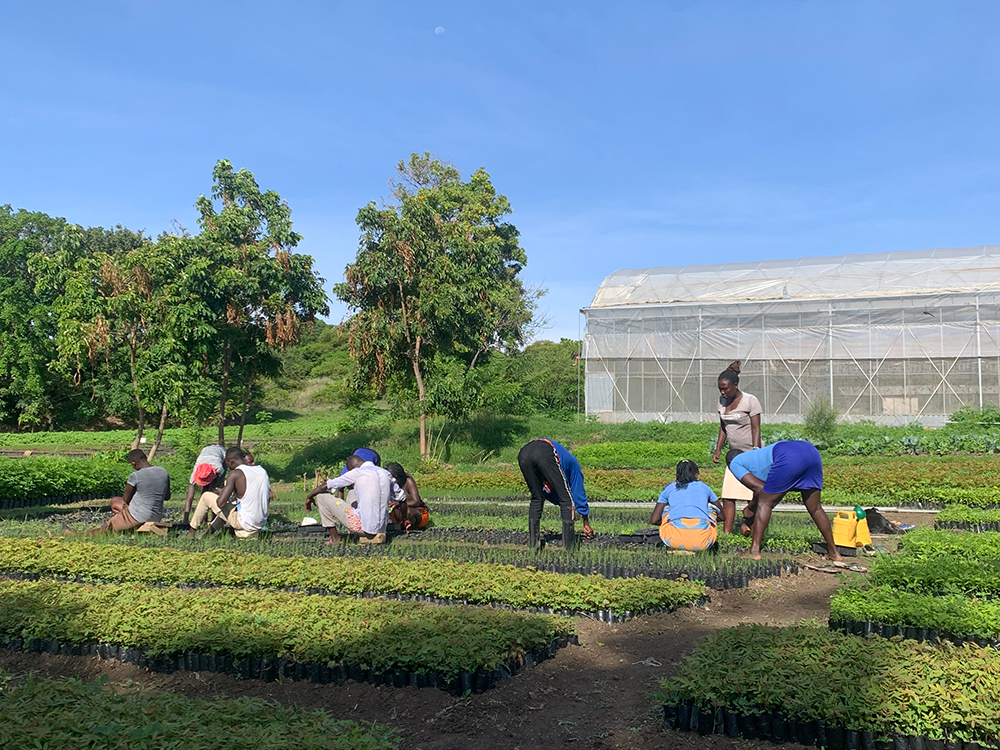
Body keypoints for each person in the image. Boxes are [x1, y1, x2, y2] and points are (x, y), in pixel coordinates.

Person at [728, 440, 842, 561]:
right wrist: (750, 510)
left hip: (789, 456)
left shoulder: (735, 463)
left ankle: (754, 551)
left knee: (765, 503)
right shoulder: (755, 456)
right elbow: (764, 491)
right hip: (811, 452)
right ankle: (834, 553)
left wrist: (750, 508)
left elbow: (760, 491)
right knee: (815, 508)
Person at [305, 454, 404, 545]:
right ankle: (359, 533)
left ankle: (334, 539)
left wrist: (309, 496)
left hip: (362, 527)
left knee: (321, 496)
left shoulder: (357, 472)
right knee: (352, 493)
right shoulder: (386, 473)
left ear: (352, 468)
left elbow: (326, 485)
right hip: (382, 528)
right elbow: (401, 497)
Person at [711, 361, 763, 534]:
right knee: (728, 495)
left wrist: (756, 452)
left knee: (753, 495)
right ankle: (727, 533)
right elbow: (723, 427)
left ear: (735, 385)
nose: (722, 392)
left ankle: (750, 526)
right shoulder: (722, 402)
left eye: (725, 388)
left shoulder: (750, 401)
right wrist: (719, 448)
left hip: (751, 454)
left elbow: (756, 428)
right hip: (734, 456)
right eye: (720, 389)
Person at [517, 438, 594, 551]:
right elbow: (578, 494)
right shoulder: (574, 466)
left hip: (523, 453)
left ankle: (533, 546)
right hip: (544, 451)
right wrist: (585, 522)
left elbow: (547, 490)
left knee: (537, 498)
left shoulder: (563, 461)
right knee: (566, 499)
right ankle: (570, 548)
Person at [188, 447, 270, 538]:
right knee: (229, 508)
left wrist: (221, 492)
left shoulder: (235, 474)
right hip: (260, 522)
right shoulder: (262, 471)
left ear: (230, 462)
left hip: (245, 523)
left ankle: (191, 531)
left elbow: (220, 503)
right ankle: (207, 535)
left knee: (206, 496)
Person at [90, 449, 170, 534]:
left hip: (138, 516)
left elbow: (126, 499)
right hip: (157, 516)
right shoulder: (163, 472)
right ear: (145, 458)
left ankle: (79, 535)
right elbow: (167, 496)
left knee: (108, 524)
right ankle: (130, 526)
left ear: (133, 464)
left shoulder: (136, 476)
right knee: (116, 503)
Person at [650, 460, 723, 551]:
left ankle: (677, 536)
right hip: (703, 543)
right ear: (696, 474)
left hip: (673, 541)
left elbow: (654, 520)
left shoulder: (669, 488)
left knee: (668, 508)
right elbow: (722, 516)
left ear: (677, 474)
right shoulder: (704, 487)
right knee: (710, 509)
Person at [182, 444, 227, 525]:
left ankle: (216, 517)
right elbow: (189, 498)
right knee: (205, 491)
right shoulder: (196, 472)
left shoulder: (219, 468)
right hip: (205, 452)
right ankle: (204, 518)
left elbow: (219, 492)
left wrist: (215, 487)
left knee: (215, 490)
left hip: (221, 453)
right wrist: (185, 518)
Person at [385, 462, 429, 531]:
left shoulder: (408, 481)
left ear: (398, 477)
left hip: (417, 512)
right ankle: (400, 526)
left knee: (408, 511)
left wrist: (400, 503)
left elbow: (416, 501)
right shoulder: (389, 484)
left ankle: (411, 525)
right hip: (399, 513)